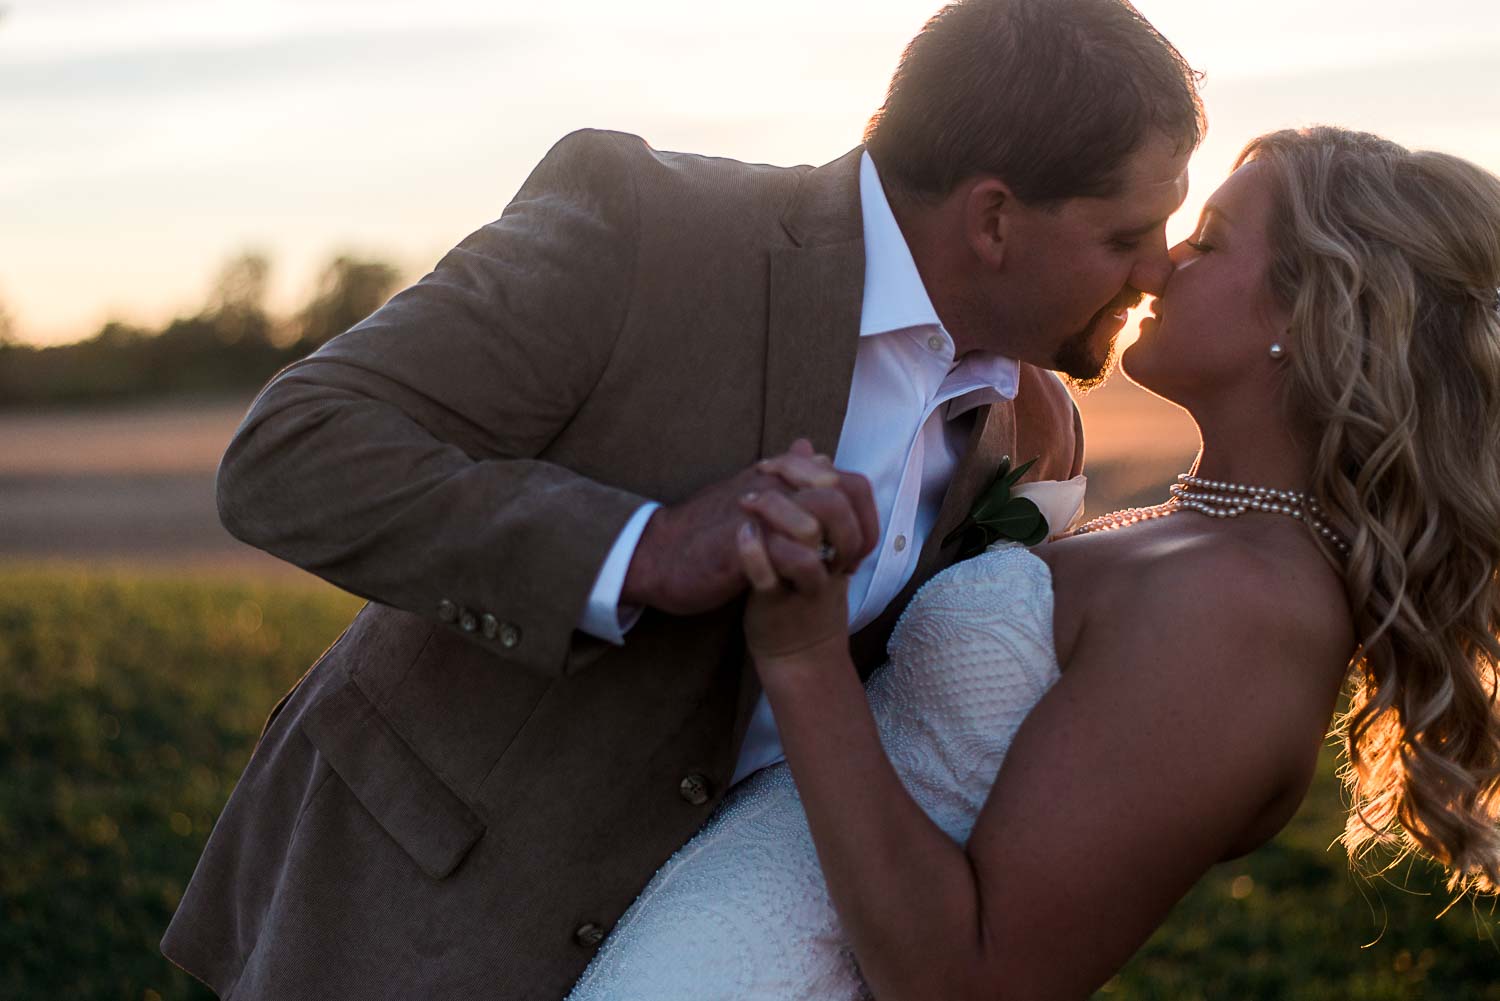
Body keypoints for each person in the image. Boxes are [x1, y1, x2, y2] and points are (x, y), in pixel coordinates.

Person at [160, 1, 1205, 997]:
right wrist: (642, 548)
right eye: (1127, 235)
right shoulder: (647, 229)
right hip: (411, 914)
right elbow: (293, 449)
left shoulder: (1039, 424)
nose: (1161, 267)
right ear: (992, 218)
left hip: (711, 951)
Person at [562, 126, 1500, 1000]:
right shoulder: (1205, 534)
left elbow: (970, 980)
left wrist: (805, 657)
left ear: (1314, 316)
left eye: (1209, 241)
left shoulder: (1248, 615)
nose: (1163, 261)